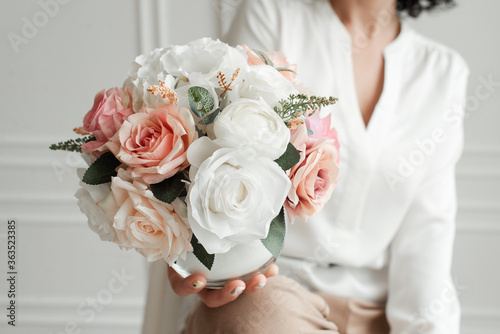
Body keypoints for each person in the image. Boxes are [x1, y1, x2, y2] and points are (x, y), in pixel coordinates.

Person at [166, 0, 469, 332]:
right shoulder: (272, 16)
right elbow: (215, 164)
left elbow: (427, 234)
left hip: (377, 313)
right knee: (256, 319)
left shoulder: (442, 72)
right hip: (269, 295)